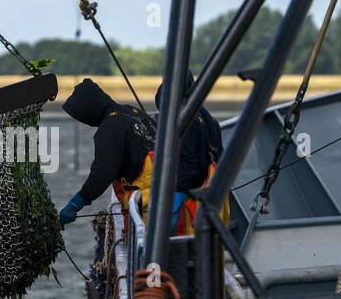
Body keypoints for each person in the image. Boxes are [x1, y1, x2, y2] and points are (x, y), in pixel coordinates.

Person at [57, 79, 154, 226]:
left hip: (146, 204)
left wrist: (77, 203)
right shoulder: (131, 111)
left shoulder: (109, 129)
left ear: (89, 110)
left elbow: (103, 173)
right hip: (166, 191)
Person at [156, 71, 223, 232]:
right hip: (215, 204)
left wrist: (172, 208)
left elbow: (187, 165)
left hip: (192, 213)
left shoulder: (182, 118)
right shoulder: (205, 115)